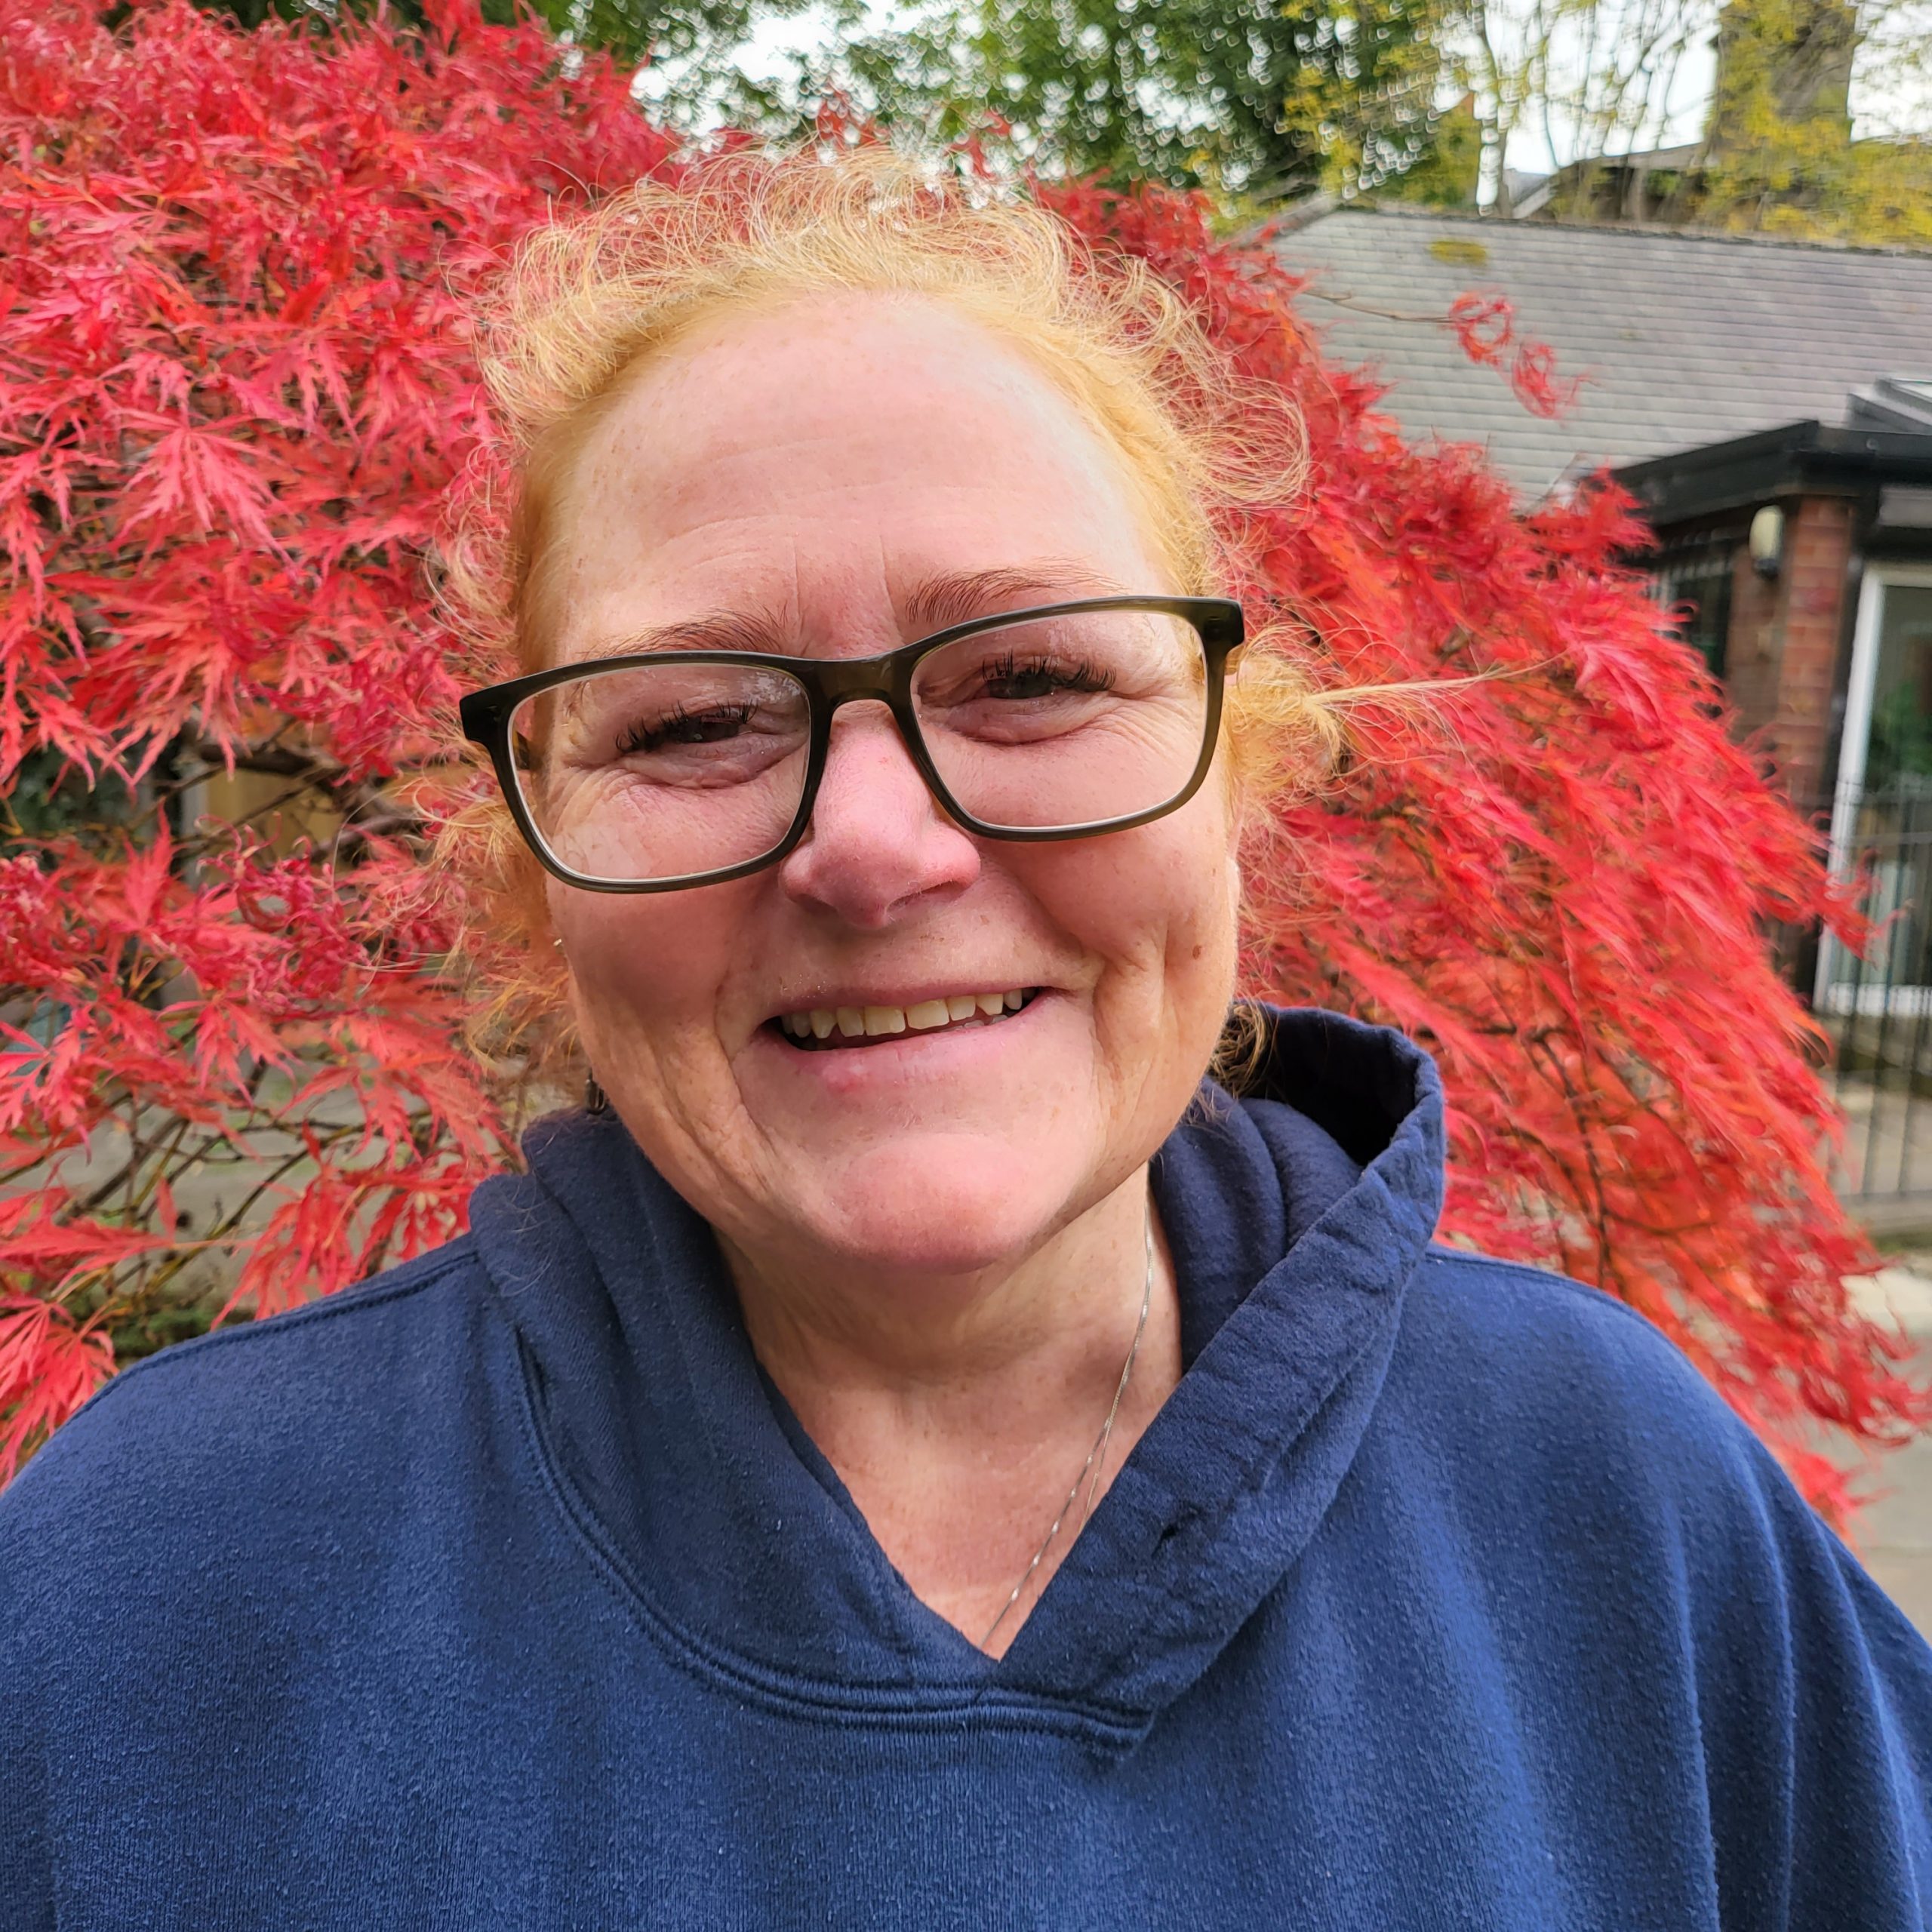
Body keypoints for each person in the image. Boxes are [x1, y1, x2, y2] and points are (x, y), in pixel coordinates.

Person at [3, 149, 1930, 1931]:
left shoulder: (1614, 1505)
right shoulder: (142, 1582)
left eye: (1030, 677)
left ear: (1236, 779)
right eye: (688, 720)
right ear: (531, 869)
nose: (872, 844)